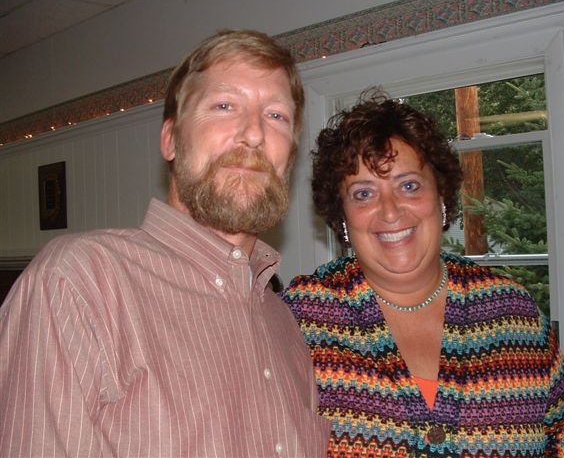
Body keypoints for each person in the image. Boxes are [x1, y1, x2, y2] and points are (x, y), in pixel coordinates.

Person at [0, 30, 330, 457]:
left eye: (276, 115)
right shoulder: (78, 283)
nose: (253, 133)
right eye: (224, 105)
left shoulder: (283, 324)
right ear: (170, 140)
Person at [282, 90, 564, 457]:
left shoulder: (510, 308)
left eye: (409, 185)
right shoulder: (298, 318)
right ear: (342, 215)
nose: (390, 211)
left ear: (441, 196)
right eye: (363, 193)